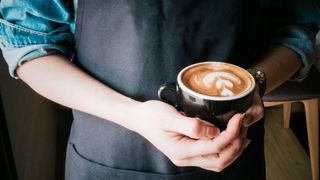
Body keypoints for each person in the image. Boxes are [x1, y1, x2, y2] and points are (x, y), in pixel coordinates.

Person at [0, 0, 319, 179]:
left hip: (233, 156)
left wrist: (255, 84)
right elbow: (31, 46)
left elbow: (296, 27)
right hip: (106, 159)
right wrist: (132, 114)